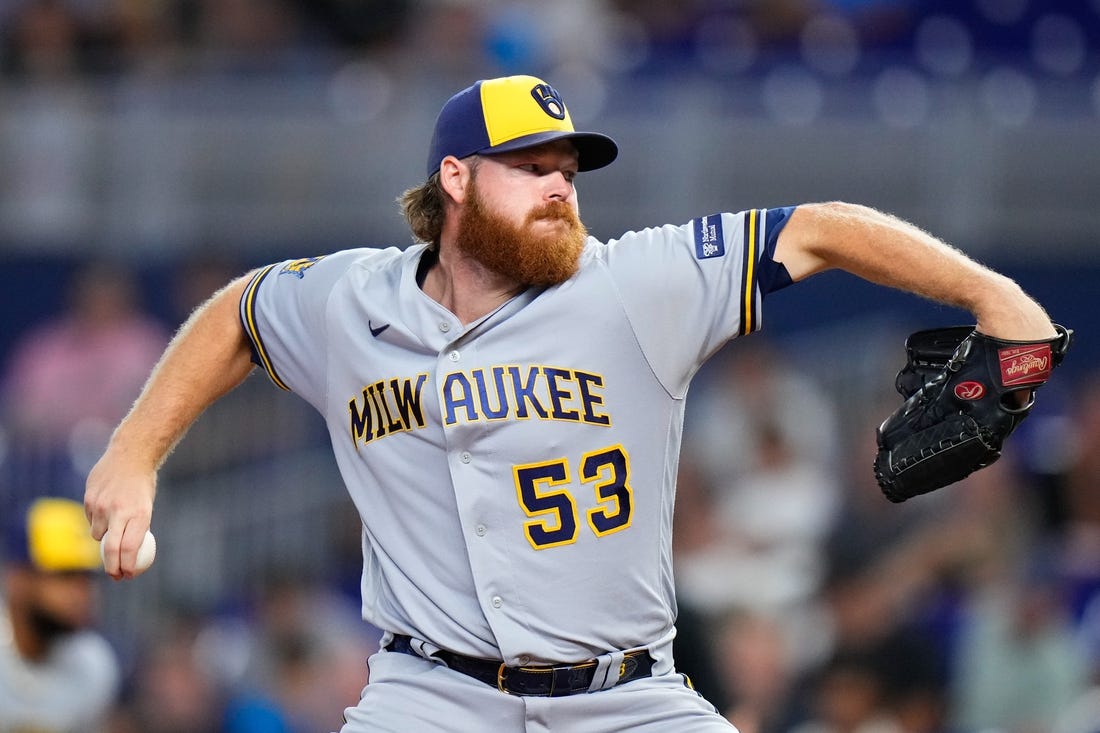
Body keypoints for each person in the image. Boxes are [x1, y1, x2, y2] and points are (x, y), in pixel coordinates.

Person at [84, 74, 1058, 731]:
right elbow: (240, 313)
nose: (560, 187)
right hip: (430, 696)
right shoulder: (352, 301)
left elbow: (820, 228)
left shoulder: (632, 282)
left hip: (623, 698)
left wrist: (998, 301)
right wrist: (134, 452)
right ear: (455, 179)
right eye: (532, 167)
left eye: (568, 170)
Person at [1, 496, 120, 732]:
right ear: (18, 578)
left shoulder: (93, 666)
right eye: (65, 575)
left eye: (87, 578)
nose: (82, 593)